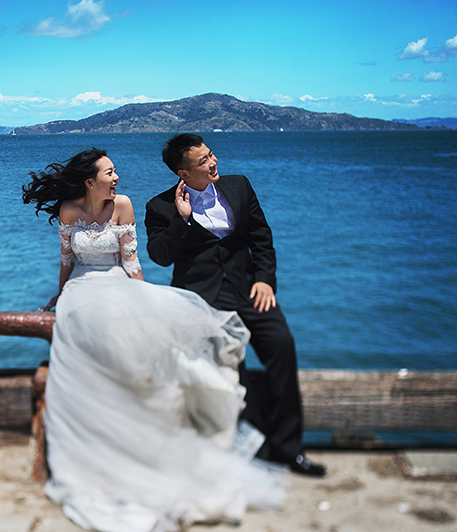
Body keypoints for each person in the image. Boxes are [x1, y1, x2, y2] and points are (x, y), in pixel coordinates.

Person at [22, 148, 287, 532]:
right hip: (80, 288)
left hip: (116, 284)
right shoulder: (68, 210)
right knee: (78, 327)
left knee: (128, 339)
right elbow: (67, 260)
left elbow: (131, 262)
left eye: (115, 171)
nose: (117, 177)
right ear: (89, 181)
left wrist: (145, 301)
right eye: (109, 173)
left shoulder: (123, 205)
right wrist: (59, 294)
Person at [145, 133, 326, 477]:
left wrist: (265, 279)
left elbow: (262, 238)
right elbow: (160, 256)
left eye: (211, 154)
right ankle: (246, 452)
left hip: (251, 290)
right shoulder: (160, 207)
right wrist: (182, 219)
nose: (213, 162)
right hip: (203, 302)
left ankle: (288, 450)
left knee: (282, 349)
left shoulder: (239, 185)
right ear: (183, 173)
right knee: (231, 374)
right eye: (203, 161)